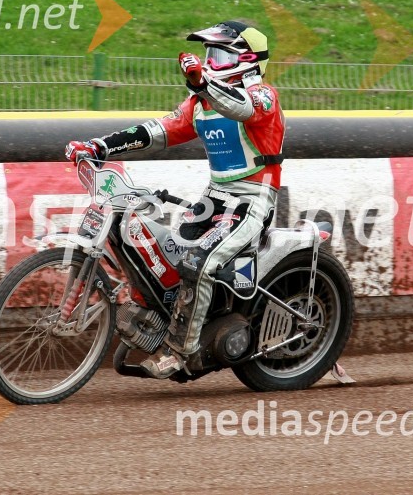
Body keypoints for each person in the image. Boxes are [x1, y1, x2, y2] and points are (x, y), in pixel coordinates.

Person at [65, 20, 285, 379]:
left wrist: (202, 82)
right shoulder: (200, 102)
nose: (210, 60)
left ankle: (180, 351)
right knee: (168, 256)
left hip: (251, 202)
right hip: (214, 199)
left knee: (198, 263)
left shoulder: (262, 95)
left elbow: (241, 108)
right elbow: (157, 130)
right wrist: (100, 145)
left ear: (246, 59)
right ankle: (159, 321)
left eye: (218, 53)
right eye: (208, 53)